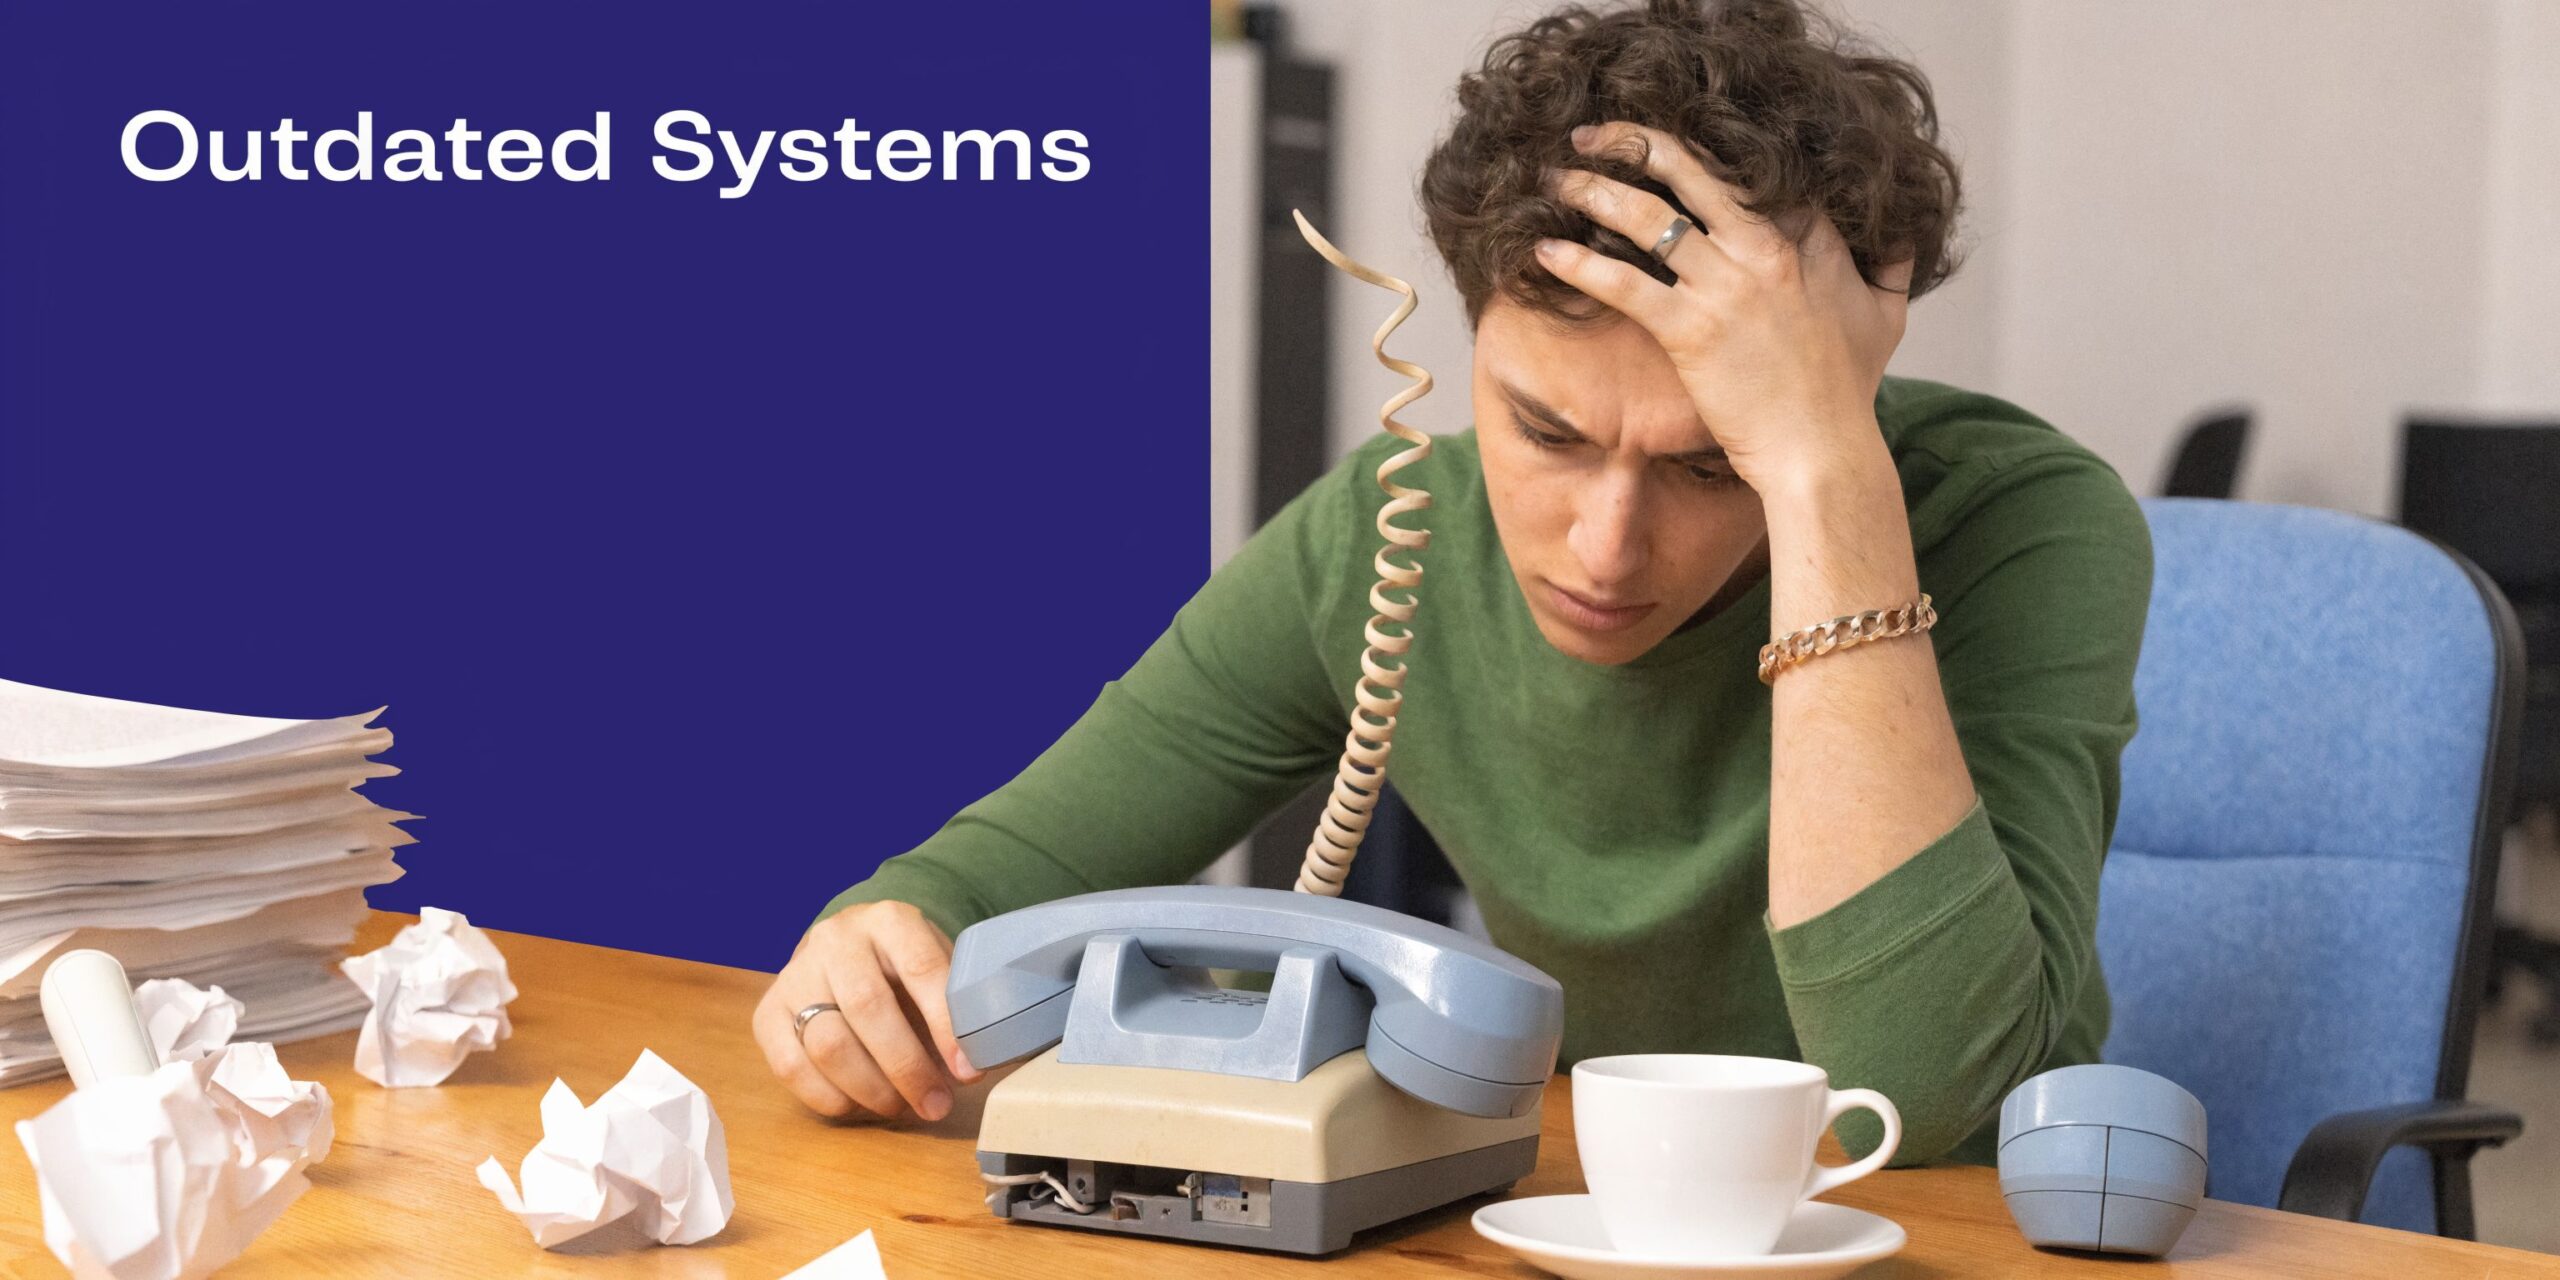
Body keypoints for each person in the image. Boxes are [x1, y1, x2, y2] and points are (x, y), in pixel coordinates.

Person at [753, 0, 2150, 1167]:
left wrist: (1823, 473)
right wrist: (867, 961)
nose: (1605, 548)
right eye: (1545, 432)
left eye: (1712, 464)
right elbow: (973, 890)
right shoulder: (1391, 536)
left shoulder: (2028, 522)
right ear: (1469, 326)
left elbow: (1932, 1113)